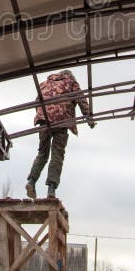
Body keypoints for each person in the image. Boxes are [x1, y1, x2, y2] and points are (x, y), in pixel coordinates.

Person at [26, 70, 95, 199]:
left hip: (44, 120)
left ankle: (31, 181)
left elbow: (37, 102)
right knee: (57, 155)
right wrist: (89, 119)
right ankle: (51, 190)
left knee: (42, 153)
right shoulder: (71, 82)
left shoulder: (44, 84)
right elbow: (81, 100)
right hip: (62, 120)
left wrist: (43, 116)